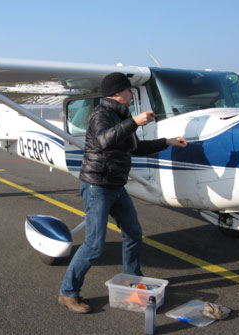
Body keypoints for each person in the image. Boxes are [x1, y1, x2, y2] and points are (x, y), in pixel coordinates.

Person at [58, 72, 188, 313]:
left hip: (117, 186)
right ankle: (68, 292)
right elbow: (104, 141)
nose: (131, 93)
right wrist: (134, 123)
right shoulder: (101, 115)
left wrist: (167, 142)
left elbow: (136, 148)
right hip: (97, 187)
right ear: (118, 92)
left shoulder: (122, 115)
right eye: (129, 90)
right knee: (94, 245)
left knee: (134, 234)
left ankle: (132, 286)